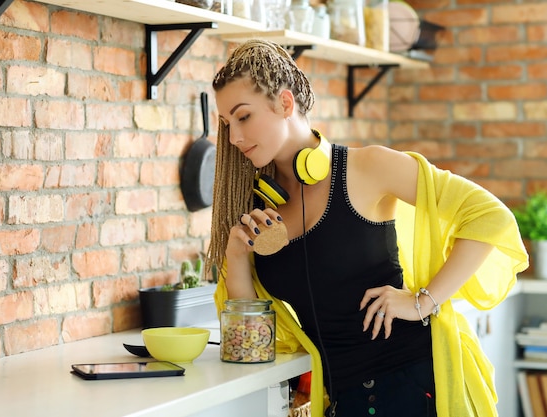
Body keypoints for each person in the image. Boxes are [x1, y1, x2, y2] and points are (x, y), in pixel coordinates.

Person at [206, 39, 529, 417]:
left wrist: (422, 301)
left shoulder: (368, 168)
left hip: (414, 389)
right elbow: (250, 345)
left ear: (285, 103)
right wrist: (237, 257)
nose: (234, 138)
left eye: (243, 117)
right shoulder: (261, 211)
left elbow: (489, 215)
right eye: (227, 124)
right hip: (344, 401)